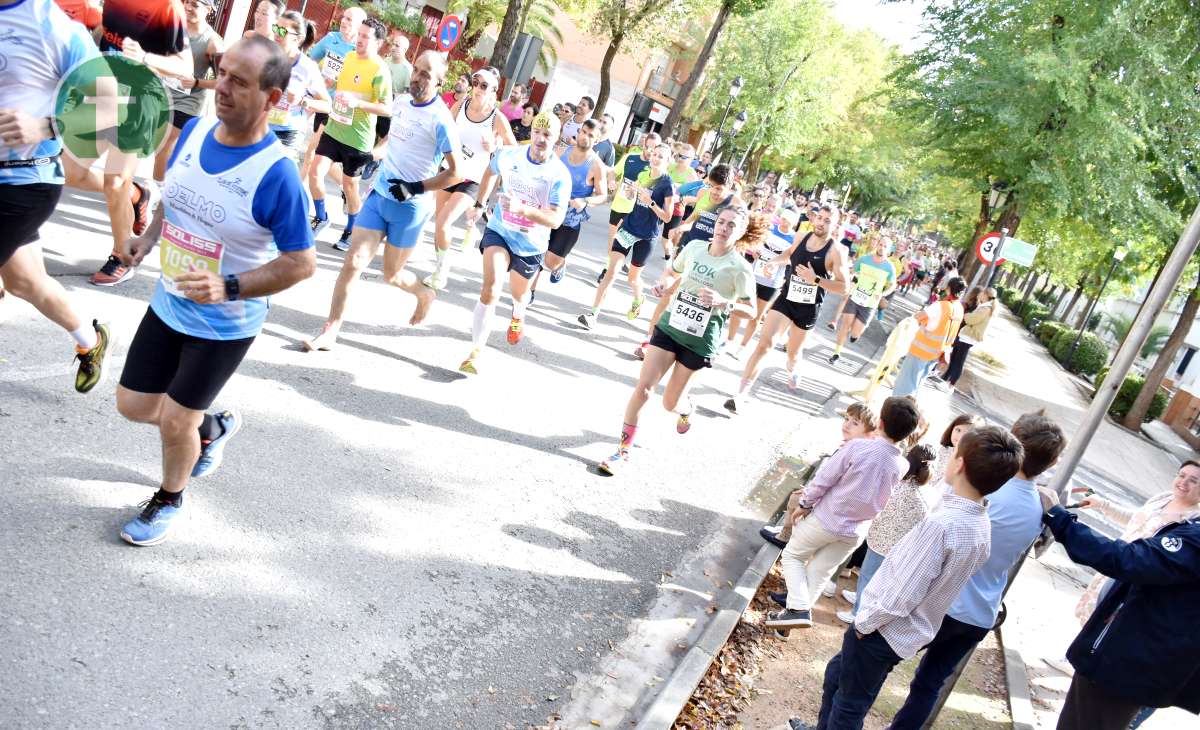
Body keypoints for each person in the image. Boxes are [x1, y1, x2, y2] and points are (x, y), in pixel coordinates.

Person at [113, 36, 316, 546]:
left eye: (239, 82)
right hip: (168, 300)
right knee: (133, 405)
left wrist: (230, 286)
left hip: (224, 323)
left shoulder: (278, 175)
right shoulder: (196, 130)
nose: (222, 88)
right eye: (222, 74)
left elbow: (301, 263)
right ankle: (212, 428)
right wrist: (149, 237)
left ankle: (168, 497)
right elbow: (178, 195)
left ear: (272, 99)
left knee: (177, 418)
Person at [794, 425, 1023, 730]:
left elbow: (903, 593)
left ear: (960, 464)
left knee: (849, 705)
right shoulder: (980, 524)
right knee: (838, 676)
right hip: (903, 632)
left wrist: (865, 625)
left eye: (954, 453)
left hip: (881, 630)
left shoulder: (943, 526)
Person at [884, 411, 1064, 729]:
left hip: (943, 602)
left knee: (868, 660)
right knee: (928, 684)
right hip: (980, 613)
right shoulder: (1040, 503)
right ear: (1050, 463)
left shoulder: (985, 488)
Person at [302, 51, 462, 352]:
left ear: (440, 82)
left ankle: (423, 294)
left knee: (392, 275)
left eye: (426, 74)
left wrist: (415, 188)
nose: (417, 77)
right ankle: (331, 329)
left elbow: (456, 173)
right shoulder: (401, 102)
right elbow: (393, 142)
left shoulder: (441, 120)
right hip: (380, 195)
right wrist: (372, 154)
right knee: (354, 262)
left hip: (410, 208)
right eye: (416, 70)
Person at [0, 0, 114, 392]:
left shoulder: (53, 26)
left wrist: (46, 126)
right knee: (24, 282)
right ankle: (91, 340)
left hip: (24, 181)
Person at [597, 207, 761, 475]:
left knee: (670, 403)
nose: (724, 228)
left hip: (700, 340)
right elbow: (673, 272)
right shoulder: (695, 246)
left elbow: (751, 311)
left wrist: (724, 302)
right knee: (644, 388)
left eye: (732, 225)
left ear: (741, 232)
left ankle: (687, 408)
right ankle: (622, 451)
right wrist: (664, 283)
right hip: (671, 326)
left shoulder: (740, 268)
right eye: (721, 222)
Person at [1035, 470, 1200, 730]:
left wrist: (1060, 518)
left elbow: (1128, 559)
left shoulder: (1194, 539)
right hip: (1140, 663)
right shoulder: (1182, 521)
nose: (1185, 483)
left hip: (1128, 666)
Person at [764, 396, 921, 631]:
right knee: (819, 573)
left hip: (827, 519)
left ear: (880, 422)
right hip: (855, 531)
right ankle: (786, 627)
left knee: (793, 556)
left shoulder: (857, 447)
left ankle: (797, 610)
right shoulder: (902, 465)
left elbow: (825, 478)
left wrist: (805, 503)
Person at [81, 0, 192, 287]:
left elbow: (185, 68)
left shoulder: (168, 8)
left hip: (141, 99)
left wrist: (144, 57)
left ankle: (123, 255)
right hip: (104, 91)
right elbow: (102, 36)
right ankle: (136, 195)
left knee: (114, 181)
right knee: (66, 171)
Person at [457, 111, 572, 372]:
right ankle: (475, 352)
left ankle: (518, 313)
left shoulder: (559, 174)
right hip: (500, 230)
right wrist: (480, 203)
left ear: (556, 139)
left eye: (548, 135)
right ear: (531, 132)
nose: (541, 139)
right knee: (492, 287)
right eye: (537, 133)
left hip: (531, 244)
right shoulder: (511, 155)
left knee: (519, 294)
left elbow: (555, 220)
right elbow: (490, 170)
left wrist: (524, 210)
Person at [724, 205, 850, 413]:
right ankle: (740, 394)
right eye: (819, 217)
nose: (821, 222)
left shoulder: (836, 251)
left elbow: (844, 287)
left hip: (808, 308)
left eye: (827, 220)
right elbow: (790, 254)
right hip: (786, 299)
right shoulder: (801, 236)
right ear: (813, 218)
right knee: (765, 344)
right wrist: (774, 262)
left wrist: (816, 279)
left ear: (835, 224)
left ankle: (792, 369)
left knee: (793, 354)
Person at [635, 163, 740, 359]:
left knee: (693, 301)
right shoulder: (703, 194)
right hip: (690, 249)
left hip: (713, 258)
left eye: (718, 188)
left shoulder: (736, 204)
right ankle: (650, 340)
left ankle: (686, 344)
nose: (714, 193)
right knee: (668, 292)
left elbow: (741, 233)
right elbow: (694, 217)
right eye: (711, 186)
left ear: (730, 186)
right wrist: (680, 228)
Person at [423, 67, 515, 290]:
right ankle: (440, 264)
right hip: (449, 170)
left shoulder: (497, 119)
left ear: (493, 91)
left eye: (484, 85)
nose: (478, 88)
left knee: (444, 221)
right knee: (439, 225)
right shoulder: (461, 105)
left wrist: (495, 146)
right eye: (476, 82)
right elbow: (444, 128)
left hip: (472, 179)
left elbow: (513, 148)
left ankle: (442, 270)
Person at [306, 17, 392, 250]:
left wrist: (359, 104)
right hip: (335, 126)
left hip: (358, 137)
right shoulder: (350, 57)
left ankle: (352, 229)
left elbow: (387, 108)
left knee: (350, 186)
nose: (360, 39)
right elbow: (342, 88)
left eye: (365, 36)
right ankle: (322, 217)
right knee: (315, 171)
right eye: (359, 34)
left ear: (378, 43)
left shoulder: (380, 70)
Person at [835, 443, 938, 625]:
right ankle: (860, 600)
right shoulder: (926, 493)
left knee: (868, 576)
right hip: (901, 546)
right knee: (879, 580)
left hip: (881, 540)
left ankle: (858, 612)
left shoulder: (899, 486)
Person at [578, 142, 675, 329]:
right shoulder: (643, 175)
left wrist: (652, 203)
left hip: (647, 236)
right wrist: (630, 191)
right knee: (611, 273)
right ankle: (593, 315)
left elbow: (667, 216)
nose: (655, 158)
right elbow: (631, 195)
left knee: (632, 279)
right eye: (654, 154)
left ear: (667, 161)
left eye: (660, 156)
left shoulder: (667, 184)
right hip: (629, 227)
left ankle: (639, 299)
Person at [761, 403, 878, 550]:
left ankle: (785, 535)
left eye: (854, 423)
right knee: (801, 493)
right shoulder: (855, 448)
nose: (847, 425)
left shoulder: (853, 450)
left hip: (833, 510)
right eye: (846, 419)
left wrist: (810, 497)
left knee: (796, 498)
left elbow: (831, 479)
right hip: (839, 509)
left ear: (870, 434)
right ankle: (788, 530)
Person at [152, 0, 223, 192]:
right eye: (187, 2)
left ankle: (157, 191)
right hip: (160, 94)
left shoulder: (212, 42)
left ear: (208, 10)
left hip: (188, 102)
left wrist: (197, 82)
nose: (188, 7)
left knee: (164, 144)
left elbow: (224, 80)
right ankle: (169, 186)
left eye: (195, 4)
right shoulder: (173, 28)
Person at [533, 119, 607, 291]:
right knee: (537, 254)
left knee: (550, 261)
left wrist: (585, 200)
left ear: (596, 140)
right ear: (579, 131)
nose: (585, 137)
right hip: (549, 210)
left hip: (570, 220)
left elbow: (603, 196)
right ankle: (529, 292)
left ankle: (559, 265)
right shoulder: (560, 152)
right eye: (584, 132)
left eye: (591, 136)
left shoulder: (596, 165)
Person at [301, 6, 364, 181]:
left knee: (312, 151)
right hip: (317, 96)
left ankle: (297, 192)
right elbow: (311, 60)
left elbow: (359, 82)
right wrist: (319, 78)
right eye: (344, 17)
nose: (344, 21)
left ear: (360, 26)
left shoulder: (358, 50)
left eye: (350, 19)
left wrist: (339, 81)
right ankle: (347, 187)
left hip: (335, 106)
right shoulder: (331, 38)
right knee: (293, 126)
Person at [727, 207, 798, 359]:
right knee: (738, 306)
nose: (785, 222)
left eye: (789, 220)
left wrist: (777, 262)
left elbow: (793, 258)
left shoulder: (794, 238)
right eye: (783, 218)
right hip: (753, 274)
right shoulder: (770, 229)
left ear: (794, 222)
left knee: (756, 315)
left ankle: (742, 347)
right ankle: (729, 341)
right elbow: (754, 242)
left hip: (772, 282)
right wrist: (754, 251)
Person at [267, 11, 328, 159]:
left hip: (288, 132)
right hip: (262, 126)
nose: (277, 33)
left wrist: (302, 100)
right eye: (276, 28)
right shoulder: (266, 56)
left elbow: (327, 105)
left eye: (283, 31)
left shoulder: (307, 67)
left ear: (298, 38)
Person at [828, 234, 897, 363]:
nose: (882, 248)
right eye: (881, 244)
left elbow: (893, 285)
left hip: (870, 303)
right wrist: (850, 281)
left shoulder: (889, 267)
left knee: (855, 333)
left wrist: (883, 294)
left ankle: (855, 336)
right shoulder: (865, 259)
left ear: (889, 250)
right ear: (877, 245)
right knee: (845, 325)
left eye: (885, 246)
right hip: (855, 297)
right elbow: (852, 271)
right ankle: (836, 353)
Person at [893, 276, 966, 398]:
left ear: (948, 289)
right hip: (938, 352)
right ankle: (908, 406)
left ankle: (897, 409)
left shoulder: (941, 306)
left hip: (921, 350)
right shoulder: (959, 309)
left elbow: (919, 316)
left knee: (906, 383)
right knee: (917, 382)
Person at [599, 133, 657, 282]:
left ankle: (612, 269)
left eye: (654, 148)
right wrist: (611, 182)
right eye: (648, 146)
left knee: (623, 243)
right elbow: (613, 172)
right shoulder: (630, 157)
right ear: (643, 145)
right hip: (620, 204)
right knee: (614, 240)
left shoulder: (655, 169)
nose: (650, 151)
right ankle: (608, 269)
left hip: (638, 212)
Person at [939, 286, 995, 388]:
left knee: (959, 361)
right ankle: (945, 379)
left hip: (969, 337)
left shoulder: (986, 309)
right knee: (955, 358)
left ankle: (951, 384)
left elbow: (971, 319)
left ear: (986, 295)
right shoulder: (984, 307)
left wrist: (966, 315)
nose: (980, 294)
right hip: (966, 336)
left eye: (982, 293)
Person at [660, 143, 699, 259]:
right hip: (660, 204)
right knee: (648, 230)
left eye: (684, 157)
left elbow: (696, 199)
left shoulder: (691, 175)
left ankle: (669, 255)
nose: (680, 159)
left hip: (676, 210)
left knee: (666, 239)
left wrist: (681, 198)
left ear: (691, 159)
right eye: (679, 155)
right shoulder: (671, 166)